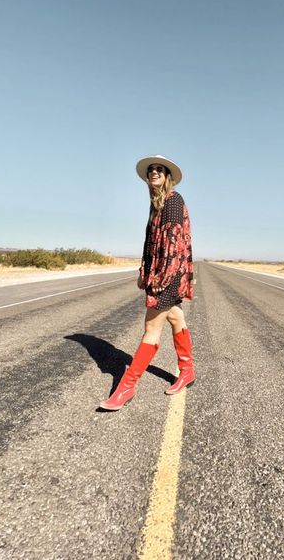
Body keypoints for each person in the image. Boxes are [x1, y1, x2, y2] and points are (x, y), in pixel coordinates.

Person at [99, 154, 195, 412]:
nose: (154, 172)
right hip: (164, 271)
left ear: (167, 176)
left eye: (159, 170)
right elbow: (153, 242)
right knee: (175, 319)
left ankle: (127, 386)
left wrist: (162, 278)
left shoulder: (173, 201)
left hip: (170, 273)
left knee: (151, 326)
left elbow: (174, 244)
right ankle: (187, 371)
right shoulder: (158, 203)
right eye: (151, 170)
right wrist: (146, 269)